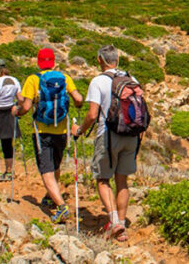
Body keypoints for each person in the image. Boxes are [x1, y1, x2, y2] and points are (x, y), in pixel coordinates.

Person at [72, 45, 145, 241]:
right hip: (131, 136)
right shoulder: (132, 80)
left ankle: (114, 222)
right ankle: (121, 224)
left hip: (108, 135)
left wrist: (79, 130)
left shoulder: (98, 81)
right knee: (122, 181)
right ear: (118, 59)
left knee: (103, 179)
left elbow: (92, 114)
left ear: (99, 60)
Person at [16, 48, 83, 224]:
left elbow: (26, 106)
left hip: (41, 131)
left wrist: (16, 112)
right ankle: (50, 195)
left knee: (46, 170)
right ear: (53, 62)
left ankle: (61, 206)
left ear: (38, 63)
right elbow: (79, 99)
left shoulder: (33, 79)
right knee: (55, 165)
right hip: (62, 131)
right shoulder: (64, 78)